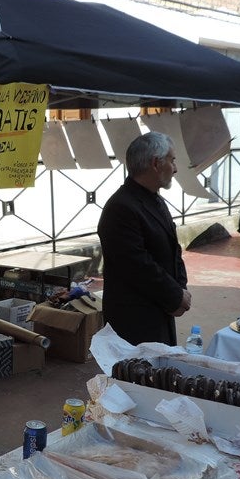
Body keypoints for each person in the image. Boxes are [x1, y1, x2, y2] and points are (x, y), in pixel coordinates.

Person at [96, 131, 190, 347]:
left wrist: (180, 291)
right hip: (134, 317)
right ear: (156, 163)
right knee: (136, 377)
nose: (175, 169)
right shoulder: (121, 207)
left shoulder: (154, 199)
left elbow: (174, 251)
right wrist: (175, 296)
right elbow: (137, 265)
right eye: (172, 160)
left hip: (160, 308)